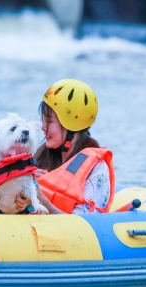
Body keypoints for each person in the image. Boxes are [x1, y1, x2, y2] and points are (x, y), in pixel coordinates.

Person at [16, 79, 115, 214]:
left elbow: (85, 225)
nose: (43, 127)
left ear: (70, 126)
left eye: (49, 121)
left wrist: (42, 200)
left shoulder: (97, 168)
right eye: (43, 120)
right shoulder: (42, 155)